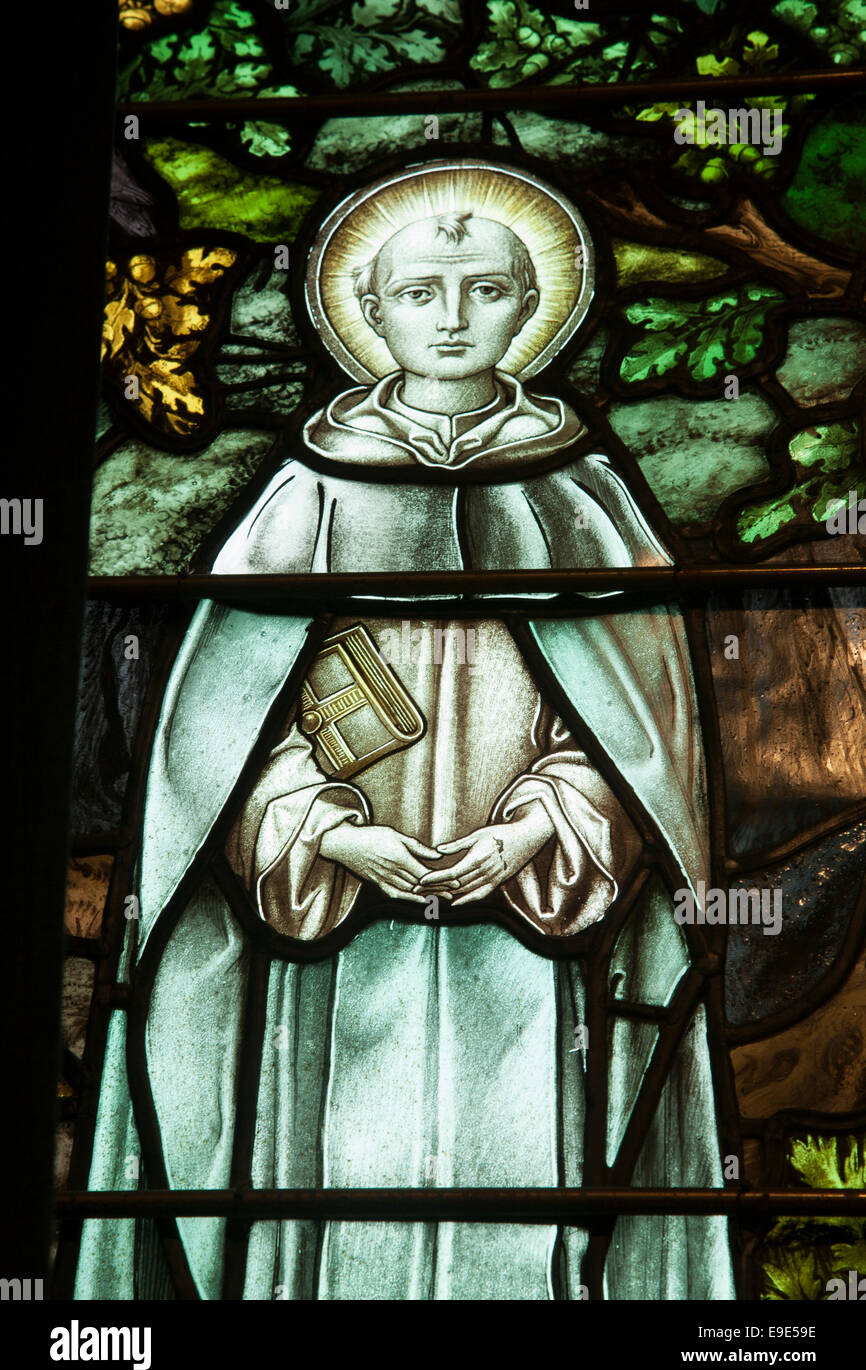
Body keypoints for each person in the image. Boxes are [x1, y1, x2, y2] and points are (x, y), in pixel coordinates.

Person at [76, 166, 736, 1300]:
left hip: (534, 944)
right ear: (367, 313)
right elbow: (219, 742)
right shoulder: (305, 497)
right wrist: (330, 835)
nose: (450, 319)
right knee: (327, 1206)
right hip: (325, 948)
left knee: (527, 1193)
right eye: (419, 292)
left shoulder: (580, 497)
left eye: (485, 290)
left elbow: (642, 738)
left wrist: (532, 827)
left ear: (531, 310)